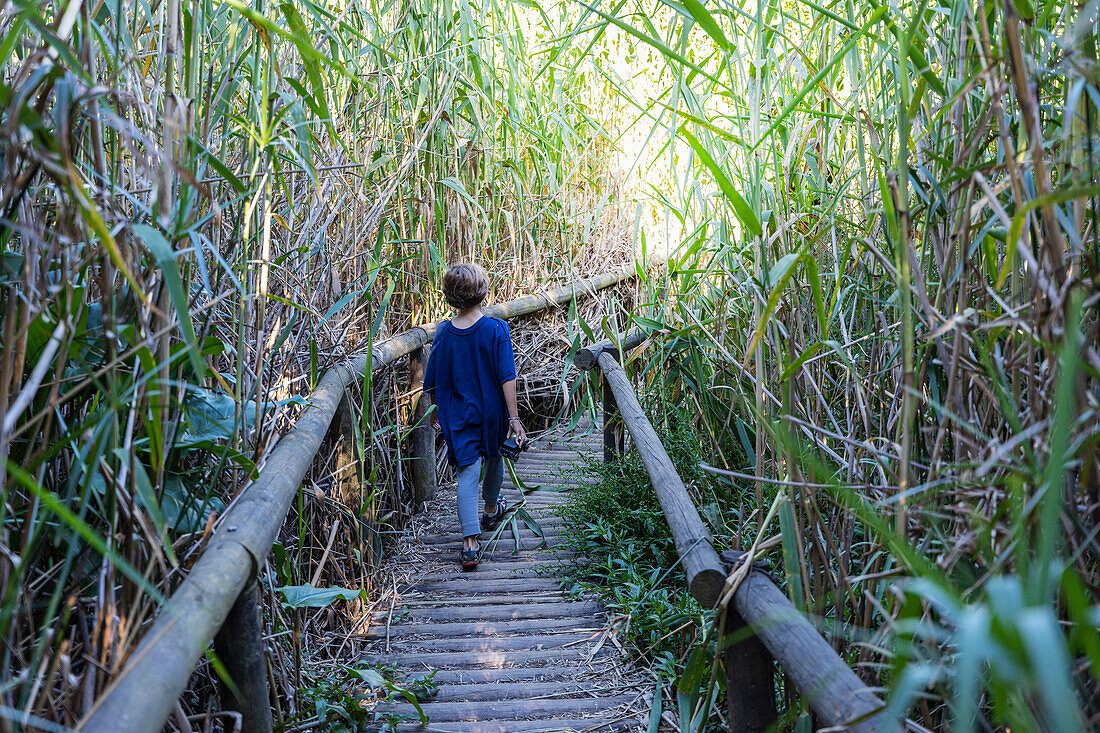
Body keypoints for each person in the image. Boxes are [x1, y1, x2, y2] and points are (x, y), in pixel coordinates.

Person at [423, 262, 527, 570]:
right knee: (495, 458)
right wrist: (514, 418)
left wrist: (435, 409)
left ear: (449, 297)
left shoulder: (443, 331)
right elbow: (507, 376)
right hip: (493, 411)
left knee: (467, 473)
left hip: (459, 413)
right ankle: (492, 507)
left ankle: (470, 543)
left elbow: (435, 376)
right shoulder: (496, 329)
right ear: (482, 293)